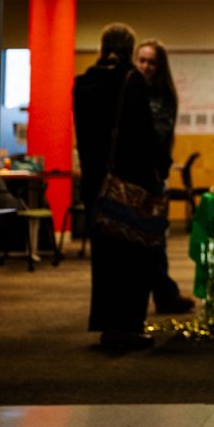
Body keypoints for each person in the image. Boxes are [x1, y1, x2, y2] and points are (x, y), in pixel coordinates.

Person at [73, 23, 171, 350]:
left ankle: (105, 324)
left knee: (104, 261)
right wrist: (161, 170)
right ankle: (128, 327)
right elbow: (144, 135)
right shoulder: (131, 82)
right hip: (130, 185)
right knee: (134, 257)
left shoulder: (83, 83)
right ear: (130, 50)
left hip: (95, 185)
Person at [134, 38, 194, 315]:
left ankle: (164, 293)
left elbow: (157, 136)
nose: (145, 66)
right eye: (142, 60)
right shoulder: (127, 90)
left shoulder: (163, 96)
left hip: (153, 175)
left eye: (151, 62)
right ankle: (162, 292)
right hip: (130, 176)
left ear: (160, 67)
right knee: (139, 238)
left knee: (155, 235)